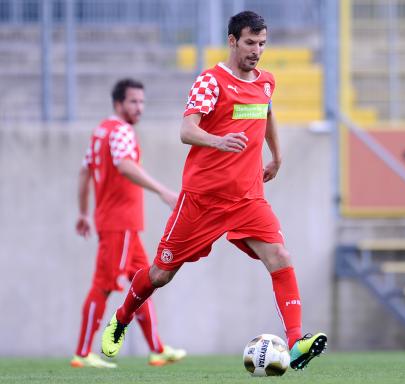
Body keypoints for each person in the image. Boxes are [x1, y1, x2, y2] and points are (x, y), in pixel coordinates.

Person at [100, 12, 327, 370]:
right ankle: (123, 317)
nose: (257, 51)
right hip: (202, 200)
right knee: (160, 274)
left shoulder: (266, 81)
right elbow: (186, 130)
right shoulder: (211, 81)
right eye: (250, 43)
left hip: (248, 197)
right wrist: (219, 141)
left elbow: (266, 113)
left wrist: (277, 156)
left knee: (280, 256)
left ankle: (296, 341)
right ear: (233, 40)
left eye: (262, 43)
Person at [71, 79, 186, 368]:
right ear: (118, 103)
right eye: (133, 101)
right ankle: (82, 353)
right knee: (104, 284)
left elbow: (85, 171)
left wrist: (84, 213)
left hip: (121, 223)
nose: (139, 107)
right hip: (119, 222)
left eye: (142, 102)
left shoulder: (101, 132)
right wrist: (161, 190)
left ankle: (157, 349)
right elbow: (123, 164)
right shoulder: (121, 131)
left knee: (142, 284)